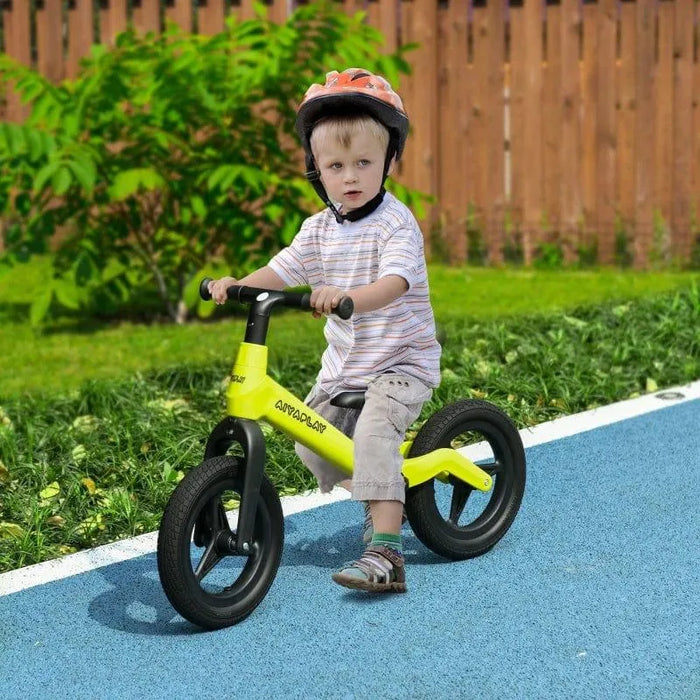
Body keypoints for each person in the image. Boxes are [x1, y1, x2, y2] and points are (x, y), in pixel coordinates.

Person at [208, 68, 441, 593]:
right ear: (316, 169)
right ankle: (386, 489)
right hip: (346, 366)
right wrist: (237, 283)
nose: (351, 176)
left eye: (364, 162)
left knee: (376, 435)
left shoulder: (395, 223)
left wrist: (349, 299)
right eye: (336, 166)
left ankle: (386, 551)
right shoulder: (319, 228)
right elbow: (286, 267)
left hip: (400, 362)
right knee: (313, 445)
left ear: (389, 162)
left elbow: (396, 281)